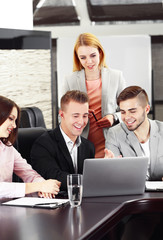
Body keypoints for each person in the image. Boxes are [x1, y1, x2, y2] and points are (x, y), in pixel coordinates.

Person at [62, 33, 126, 158]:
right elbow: (62, 116)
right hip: (81, 143)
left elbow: (127, 111)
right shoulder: (70, 80)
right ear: (78, 59)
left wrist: (113, 117)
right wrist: (77, 115)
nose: (89, 62)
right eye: (83, 57)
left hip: (111, 142)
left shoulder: (116, 76)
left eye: (93, 55)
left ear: (100, 53)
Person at [31, 90, 95, 191]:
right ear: (62, 115)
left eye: (85, 116)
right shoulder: (43, 144)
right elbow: (55, 177)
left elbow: (92, 179)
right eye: (75, 116)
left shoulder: (88, 146)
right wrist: (90, 180)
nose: (81, 121)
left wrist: (104, 170)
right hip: (55, 203)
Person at [0, 95, 61, 199]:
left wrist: (43, 187)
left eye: (15, 121)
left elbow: (29, 173)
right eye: (10, 118)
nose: (14, 126)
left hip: (7, 210)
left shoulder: (8, 147)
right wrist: (38, 186)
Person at [105, 85, 163, 181]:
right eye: (123, 112)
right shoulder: (114, 134)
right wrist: (109, 168)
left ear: (147, 109)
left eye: (132, 111)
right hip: (132, 194)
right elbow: (114, 176)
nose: (127, 117)